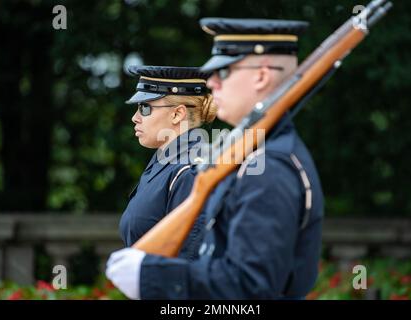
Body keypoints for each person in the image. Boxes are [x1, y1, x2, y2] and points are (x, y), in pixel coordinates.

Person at [106, 18, 324, 299]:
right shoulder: (259, 154)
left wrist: (152, 275)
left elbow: (250, 285)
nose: (211, 83)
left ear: (261, 75)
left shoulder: (270, 165)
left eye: (224, 71)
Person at [119, 66, 217, 260]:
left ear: (177, 114)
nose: (135, 118)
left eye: (144, 108)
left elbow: (187, 260)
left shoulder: (188, 170)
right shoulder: (167, 160)